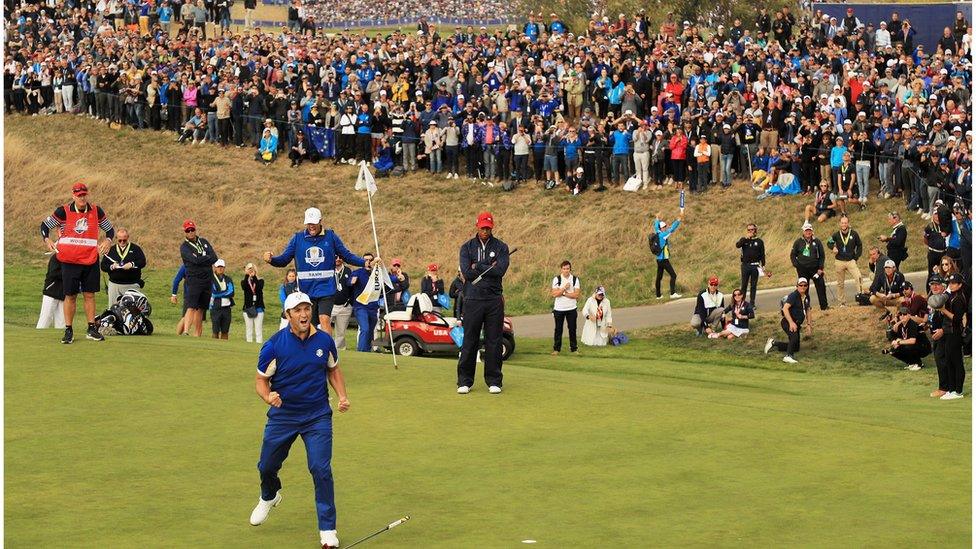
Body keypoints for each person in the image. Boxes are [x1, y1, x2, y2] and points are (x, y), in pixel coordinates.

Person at [250, 292, 350, 549]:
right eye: (298, 310)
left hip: (317, 415)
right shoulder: (274, 345)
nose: (304, 314)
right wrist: (267, 396)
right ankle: (269, 496)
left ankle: (328, 530)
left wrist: (342, 396)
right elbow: (261, 380)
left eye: (307, 308)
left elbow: (333, 369)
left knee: (320, 469)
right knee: (267, 466)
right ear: (288, 315)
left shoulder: (325, 341)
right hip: (283, 416)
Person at [264, 207, 366, 335]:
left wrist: (364, 262)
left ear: (320, 221)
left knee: (324, 320)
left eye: (314, 223)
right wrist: (271, 260)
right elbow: (284, 260)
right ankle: (310, 352)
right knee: (308, 326)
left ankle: (328, 352)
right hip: (306, 291)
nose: (311, 226)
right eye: (309, 223)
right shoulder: (297, 238)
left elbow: (347, 255)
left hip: (326, 289)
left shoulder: (331, 236)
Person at [40, 182, 116, 344]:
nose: (82, 197)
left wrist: (108, 240)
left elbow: (110, 230)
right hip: (69, 260)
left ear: (87, 194)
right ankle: (68, 330)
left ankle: (91, 329)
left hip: (90, 259)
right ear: (73, 195)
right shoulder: (64, 211)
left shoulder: (96, 210)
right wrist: (47, 240)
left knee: (90, 294)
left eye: (84, 194)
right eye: (79, 195)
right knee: (70, 295)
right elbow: (45, 226)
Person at [457, 212, 510, 395]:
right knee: (470, 340)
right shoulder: (467, 248)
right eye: (482, 227)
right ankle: (465, 380)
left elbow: (500, 270)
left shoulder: (501, 247)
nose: (485, 230)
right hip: (472, 299)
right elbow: (466, 272)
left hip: (494, 299)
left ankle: (494, 380)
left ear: (492, 227)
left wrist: (477, 266)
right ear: (477, 226)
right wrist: (488, 266)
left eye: (488, 227)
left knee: (493, 340)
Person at [180, 219, 218, 337]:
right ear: (185, 232)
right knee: (191, 306)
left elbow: (214, 258)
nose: (191, 232)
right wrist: (205, 257)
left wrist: (201, 257)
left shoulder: (203, 241)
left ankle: (197, 334)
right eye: (188, 230)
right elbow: (194, 260)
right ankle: (186, 331)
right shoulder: (185, 246)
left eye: (192, 230)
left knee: (201, 308)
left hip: (207, 278)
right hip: (194, 279)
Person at [764, 278, 813, 364]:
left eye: (805, 285)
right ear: (797, 286)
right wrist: (791, 323)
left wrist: (809, 324)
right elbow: (785, 308)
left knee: (796, 347)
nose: (803, 287)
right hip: (787, 322)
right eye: (801, 285)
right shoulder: (793, 295)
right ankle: (788, 356)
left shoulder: (806, 296)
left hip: (796, 323)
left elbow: (808, 310)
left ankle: (774, 343)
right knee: (794, 338)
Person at [936, 273, 968, 400]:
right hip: (949, 332)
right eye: (950, 283)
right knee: (949, 361)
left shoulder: (959, 298)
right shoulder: (951, 296)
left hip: (956, 333)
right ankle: (952, 389)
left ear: (960, 285)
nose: (951, 285)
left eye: (954, 283)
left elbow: (957, 319)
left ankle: (958, 391)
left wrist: (943, 310)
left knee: (956, 362)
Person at [99, 227, 147, 305]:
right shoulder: (111, 250)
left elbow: (143, 262)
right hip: (114, 285)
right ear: (116, 238)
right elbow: (103, 266)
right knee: (113, 309)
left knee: (132, 310)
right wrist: (112, 266)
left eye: (124, 240)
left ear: (128, 237)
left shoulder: (136, 249)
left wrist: (132, 264)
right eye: (120, 240)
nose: (122, 242)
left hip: (132, 285)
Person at [790, 222, 829, 311]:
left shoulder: (817, 241)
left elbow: (822, 256)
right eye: (806, 230)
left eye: (809, 230)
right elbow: (792, 255)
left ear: (812, 231)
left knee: (821, 286)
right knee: (804, 289)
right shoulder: (798, 242)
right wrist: (797, 266)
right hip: (803, 269)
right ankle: (806, 307)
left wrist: (820, 268)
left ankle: (824, 306)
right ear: (803, 232)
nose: (808, 232)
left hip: (815, 269)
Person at [826, 215, 863, 306]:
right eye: (842, 223)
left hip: (851, 261)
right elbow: (828, 242)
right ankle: (842, 302)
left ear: (848, 223)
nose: (844, 224)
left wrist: (856, 257)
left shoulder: (854, 234)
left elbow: (860, 245)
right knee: (840, 283)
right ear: (840, 224)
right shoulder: (836, 234)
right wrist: (833, 247)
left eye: (845, 223)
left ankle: (861, 298)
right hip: (839, 261)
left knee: (859, 277)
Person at [349, 252, 382, 352]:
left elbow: (388, 280)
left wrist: (398, 278)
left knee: (371, 331)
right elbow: (349, 282)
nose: (368, 262)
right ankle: (361, 351)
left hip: (373, 307)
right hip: (360, 307)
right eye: (365, 260)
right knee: (365, 329)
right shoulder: (358, 272)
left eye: (370, 260)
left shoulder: (377, 273)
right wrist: (352, 281)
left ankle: (367, 351)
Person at [550, 260, 581, 355]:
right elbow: (554, 294)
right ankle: (556, 349)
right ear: (561, 269)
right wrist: (564, 288)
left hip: (571, 308)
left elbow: (576, 295)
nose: (566, 270)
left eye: (567, 268)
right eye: (564, 268)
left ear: (570, 269)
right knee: (558, 329)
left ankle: (574, 348)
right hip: (559, 309)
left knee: (572, 329)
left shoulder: (575, 279)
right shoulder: (557, 279)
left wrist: (563, 293)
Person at [651, 210, 684, 299]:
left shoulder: (657, 232)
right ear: (661, 228)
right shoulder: (664, 235)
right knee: (673, 275)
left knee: (659, 277)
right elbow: (672, 229)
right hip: (664, 259)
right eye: (664, 226)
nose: (666, 227)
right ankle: (672, 293)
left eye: (665, 226)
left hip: (659, 259)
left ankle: (658, 295)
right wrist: (678, 220)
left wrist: (657, 218)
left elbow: (655, 224)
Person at [736, 223, 767, 306]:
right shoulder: (744, 240)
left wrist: (763, 265)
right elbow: (737, 245)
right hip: (745, 265)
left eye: (752, 229)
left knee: (753, 285)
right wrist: (746, 238)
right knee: (744, 285)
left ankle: (752, 303)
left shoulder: (759, 241)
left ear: (755, 230)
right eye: (748, 230)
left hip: (755, 265)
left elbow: (762, 254)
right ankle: (741, 302)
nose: (750, 231)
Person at [37, 253, 66, 329]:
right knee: (45, 319)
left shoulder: (72, 259)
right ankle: (38, 338)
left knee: (62, 322)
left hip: (64, 294)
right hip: (51, 292)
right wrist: (69, 273)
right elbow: (53, 273)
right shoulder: (56, 257)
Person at [330, 258, 354, 350]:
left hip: (344, 306)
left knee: (341, 332)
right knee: (324, 329)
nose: (338, 259)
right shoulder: (329, 269)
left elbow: (352, 289)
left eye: (340, 257)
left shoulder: (348, 271)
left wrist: (349, 302)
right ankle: (326, 348)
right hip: (330, 305)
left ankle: (339, 351)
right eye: (335, 257)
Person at [210, 259, 235, 339]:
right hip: (215, 307)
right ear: (215, 268)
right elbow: (213, 293)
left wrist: (220, 293)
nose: (220, 268)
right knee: (215, 331)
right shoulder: (211, 279)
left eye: (222, 267)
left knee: (225, 331)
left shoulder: (228, 279)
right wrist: (225, 292)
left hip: (226, 308)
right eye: (218, 267)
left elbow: (231, 292)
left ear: (224, 268)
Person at [241, 262, 265, 344]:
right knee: (249, 330)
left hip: (258, 308)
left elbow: (259, 287)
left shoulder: (260, 280)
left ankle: (259, 346)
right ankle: (249, 346)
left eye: (252, 269)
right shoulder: (244, 281)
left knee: (258, 330)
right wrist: (247, 275)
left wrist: (254, 276)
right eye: (249, 269)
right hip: (248, 308)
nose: (251, 271)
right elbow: (244, 287)